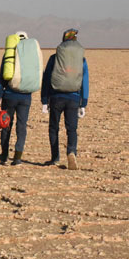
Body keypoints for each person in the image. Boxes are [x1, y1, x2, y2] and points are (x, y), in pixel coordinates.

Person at [40, 28, 90, 170]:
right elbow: (84, 81)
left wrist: (44, 100)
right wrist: (83, 103)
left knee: (54, 128)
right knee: (72, 129)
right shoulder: (82, 60)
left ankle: (55, 158)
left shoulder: (54, 58)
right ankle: (71, 152)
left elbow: (46, 79)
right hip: (74, 98)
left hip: (56, 97)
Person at [0, 31, 33, 165]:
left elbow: (1, 78)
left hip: (9, 96)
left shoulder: (9, 54)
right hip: (26, 97)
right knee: (21, 126)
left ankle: (4, 154)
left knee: (6, 124)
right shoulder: (30, 56)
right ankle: (17, 156)